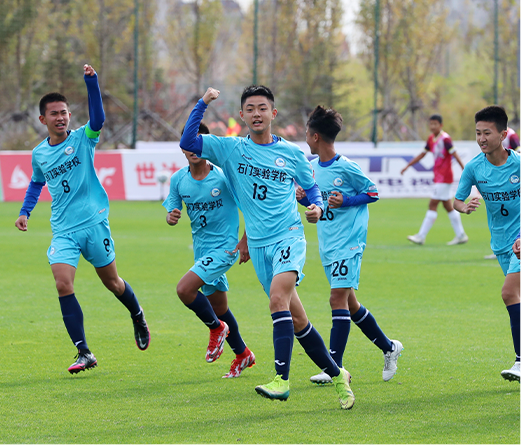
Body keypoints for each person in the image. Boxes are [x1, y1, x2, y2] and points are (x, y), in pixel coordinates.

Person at [180, 86, 355, 410]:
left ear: (273, 114)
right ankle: (337, 374)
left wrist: (317, 208)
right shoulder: (230, 149)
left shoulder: (291, 153)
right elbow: (188, 141)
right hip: (259, 246)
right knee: (298, 320)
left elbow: (312, 189)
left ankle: (281, 380)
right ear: (242, 115)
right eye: (250, 109)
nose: (256, 114)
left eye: (262, 108)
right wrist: (203, 103)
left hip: (289, 237)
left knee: (277, 299)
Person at [14, 65, 150, 374]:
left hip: (94, 224)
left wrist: (92, 83)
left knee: (113, 282)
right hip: (63, 230)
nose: (60, 117)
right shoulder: (39, 154)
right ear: (43, 119)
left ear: (69, 116)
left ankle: (137, 313)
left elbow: (98, 120)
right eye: (54, 114)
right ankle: (84, 351)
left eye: (64, 112)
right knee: (63, 284)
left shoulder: (82, 139)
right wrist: (25, 211)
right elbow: (36, 182)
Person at [296, 106, 403, 384]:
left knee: (336, 299)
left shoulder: (347, 167)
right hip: (329, 243)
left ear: (315, 136)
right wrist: (302, 199)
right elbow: (316, 202)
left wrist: (347, 200)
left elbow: (373, 192)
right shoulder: (312, 169)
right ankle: (389, 347)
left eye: (307, 133)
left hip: (350, 243)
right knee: (350, 304)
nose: (305, 138)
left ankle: (334, 367)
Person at [163, 122, 255, 378]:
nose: (194, 149)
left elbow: (250, 207)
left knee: (184, 289)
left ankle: (216, 329)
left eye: (199, 142)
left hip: (225, 248)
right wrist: (171, 216)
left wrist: (245, 240)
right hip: (202, 252)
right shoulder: (178, 179)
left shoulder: (224, 177)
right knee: (220, 307)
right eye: (189, 143)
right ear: (183, 147)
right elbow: (172, 209)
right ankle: (243, 354)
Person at [454, 105, 521, 383]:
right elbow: (456, 201)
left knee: (509, 293)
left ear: (503, 135)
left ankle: (520, 361)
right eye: (478, 133)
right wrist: (464, 207)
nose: (481, 138)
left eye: (487, 133)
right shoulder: (474, 167)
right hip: (501, 244)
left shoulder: (519, 164)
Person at [401, 114, 468, 246]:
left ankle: (421, 236)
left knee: (433, 204)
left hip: (444, 177)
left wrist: (464, 169)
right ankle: (461, 235)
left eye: (435, 124)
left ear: (441, 125)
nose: (432, 126)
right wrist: (408, 166)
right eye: (431, 124)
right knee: (448, 206)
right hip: (438, 177)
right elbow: (422, 154)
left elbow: (454, 154)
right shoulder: (431, 138)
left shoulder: (445, 139)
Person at [484, 126, 521, 259]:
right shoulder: (490, 135)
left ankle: (511, 248)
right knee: (496, 215)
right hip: (497, 179)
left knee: (510, 215)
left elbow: (519, 152)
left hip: (510, 180)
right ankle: (501, 248)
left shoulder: (511, 135)